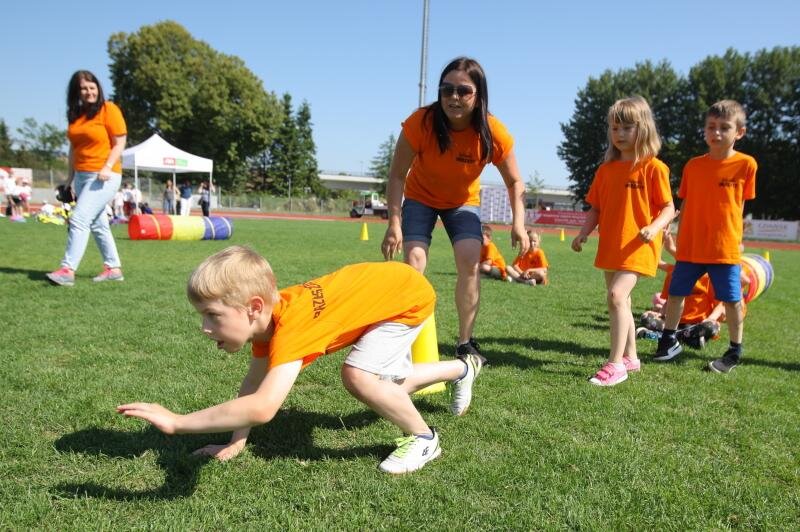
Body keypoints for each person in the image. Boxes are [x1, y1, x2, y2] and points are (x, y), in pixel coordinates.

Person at [117, 246, 486, 474]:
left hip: (406, 298)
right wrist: (237, 441)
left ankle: (424, 438)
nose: (204, 327)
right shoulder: (269, 323)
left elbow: (263, 407)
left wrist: (177, 422)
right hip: (390, 288)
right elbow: (254, 387)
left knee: (359, 377)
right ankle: (462, 368)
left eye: (213, 315)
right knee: (387, 386)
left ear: (253, 307)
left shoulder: (290, 328)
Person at [381, 57, 529, 360]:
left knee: (469, 260)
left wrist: (519, 223)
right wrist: (394, 223)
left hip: (462, 202)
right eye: (447, 90)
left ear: (479, 95)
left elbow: (515, 182)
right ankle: (404, 342)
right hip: (420, 197)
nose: (454, 98)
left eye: (463, 91)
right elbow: (397, 175)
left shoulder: (493, 132)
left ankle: (465, 342)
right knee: (414, 262)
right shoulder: (420, 122)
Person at [571, 96, 675, 386]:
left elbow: (668, 207)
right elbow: (596, 208)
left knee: (616, 296)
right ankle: (631, 357)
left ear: (643, 129)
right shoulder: (605, 170)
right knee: (623, 301)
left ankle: (615, 364)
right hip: (611, 245)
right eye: (615, 128)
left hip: (639, 245)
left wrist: (654, 228)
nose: (619, 134)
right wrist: (582, 233)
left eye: (627, 127)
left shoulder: (654, 168)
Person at [653, 100, 757, 374]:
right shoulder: (693, 166)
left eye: (725, 128)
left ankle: (734, 351)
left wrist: (737, 237)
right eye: (711, 127)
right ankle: (667, 341)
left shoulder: (747, 165)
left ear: (739, 133)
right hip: (691, 247)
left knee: (732, 300)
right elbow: (685, 205)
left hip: (724, 249)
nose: (717, 133)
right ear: (705, 130)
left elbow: (740, 205)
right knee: (676, 294)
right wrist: (675, 232)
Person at [46, 70, 127, 286]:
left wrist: (108, 166)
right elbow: (73, 149)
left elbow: (120, 142)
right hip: (81, 176)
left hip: (104, 176)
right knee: (98, 224)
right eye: (84, 88)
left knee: (79, 219)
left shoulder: (109, 109)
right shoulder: (76, 114)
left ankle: (67, 269)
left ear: (98, 88)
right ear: (77, 91)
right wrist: (69, 179)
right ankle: (113, 268)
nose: (89, 91)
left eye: (92, 87)